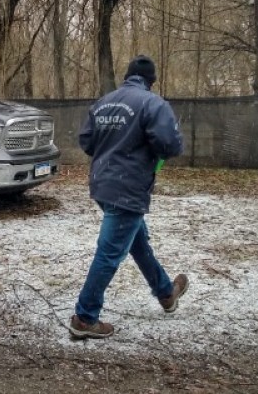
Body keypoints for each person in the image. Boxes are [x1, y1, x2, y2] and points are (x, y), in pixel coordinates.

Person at [69, 54, 188, 339]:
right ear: (151, 80)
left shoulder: (104, 102)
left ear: (127, 76)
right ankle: (85, 318)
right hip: (128, 188)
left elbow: (87, 141)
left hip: (103, 185)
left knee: (136, 240)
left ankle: (165, 293)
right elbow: (170, 145)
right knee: (110, 252)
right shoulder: (153, 104)